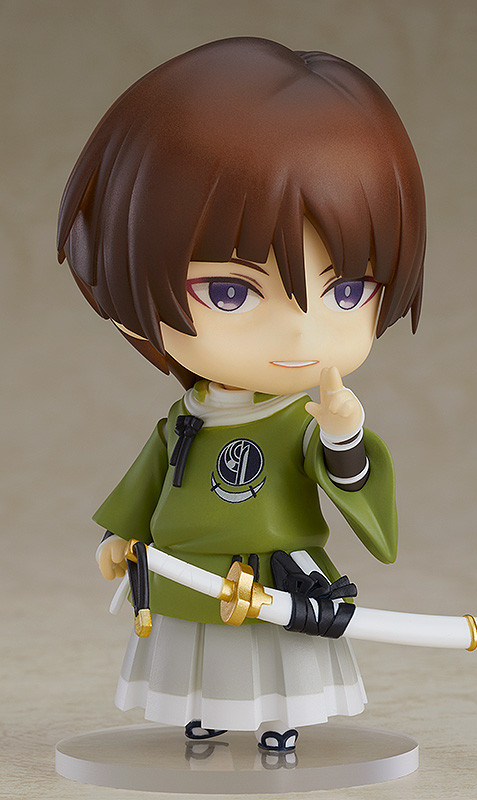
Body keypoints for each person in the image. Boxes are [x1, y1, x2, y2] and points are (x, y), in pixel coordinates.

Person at [57, 36, 426, 753]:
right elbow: (146, 484)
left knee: (274, 660)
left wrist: (343, 434)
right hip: (186, 575)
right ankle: (206, 714)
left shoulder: (300, 417)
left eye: (347, 290)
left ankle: (281, 722)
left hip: (272, 576)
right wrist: (119, 537)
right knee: (200, 660)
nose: (301, 332)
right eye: (231, 292)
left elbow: (351, 480)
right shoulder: (185, 420)